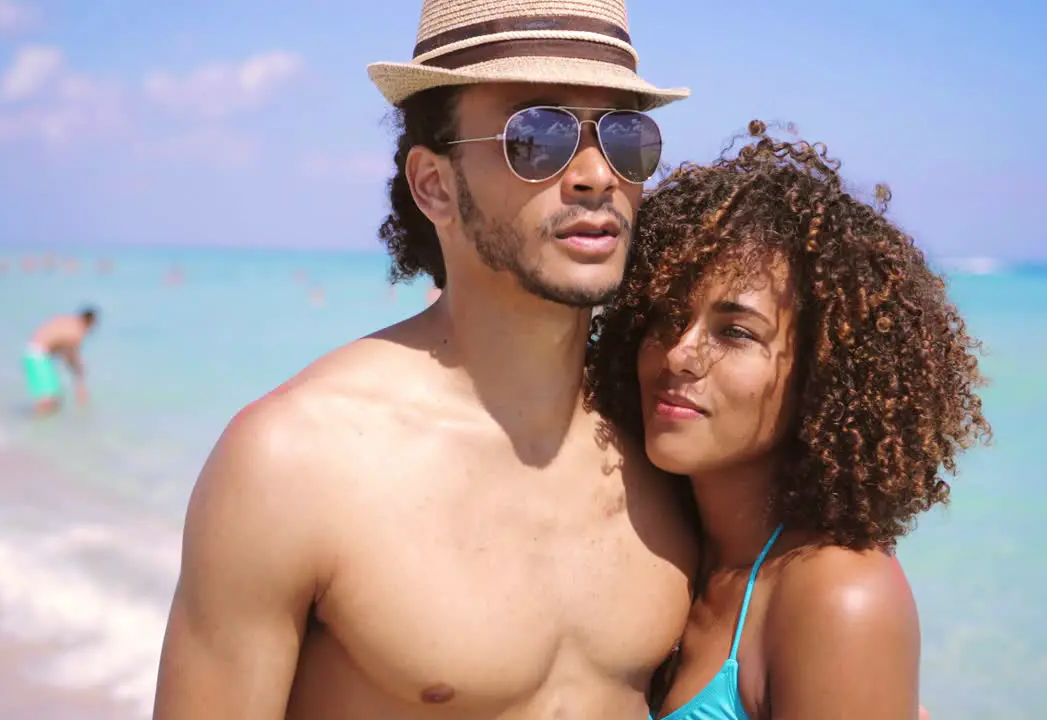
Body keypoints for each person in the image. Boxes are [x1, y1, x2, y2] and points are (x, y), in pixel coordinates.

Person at [154, 1, 700, 718]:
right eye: (537, 135)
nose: (596, 173)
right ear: (434, 185)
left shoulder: (670, 440)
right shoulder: (295, 462)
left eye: (626, 136)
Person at [587, 123, 988, 719]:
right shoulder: (670, 545)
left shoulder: (838, 597)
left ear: (822, 376)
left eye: (736, 332)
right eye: (668, 315)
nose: (678, 353)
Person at [24, 306, 99, 416]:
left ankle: (32, 426)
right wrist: (80, 385)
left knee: (53, 401)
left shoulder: (68, 322)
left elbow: (59, 346)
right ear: (90, 322)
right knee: (48, 402)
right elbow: (71, 357)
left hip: (35, 355)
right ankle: (28, 425)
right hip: (38, 357)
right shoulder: (77, 331)